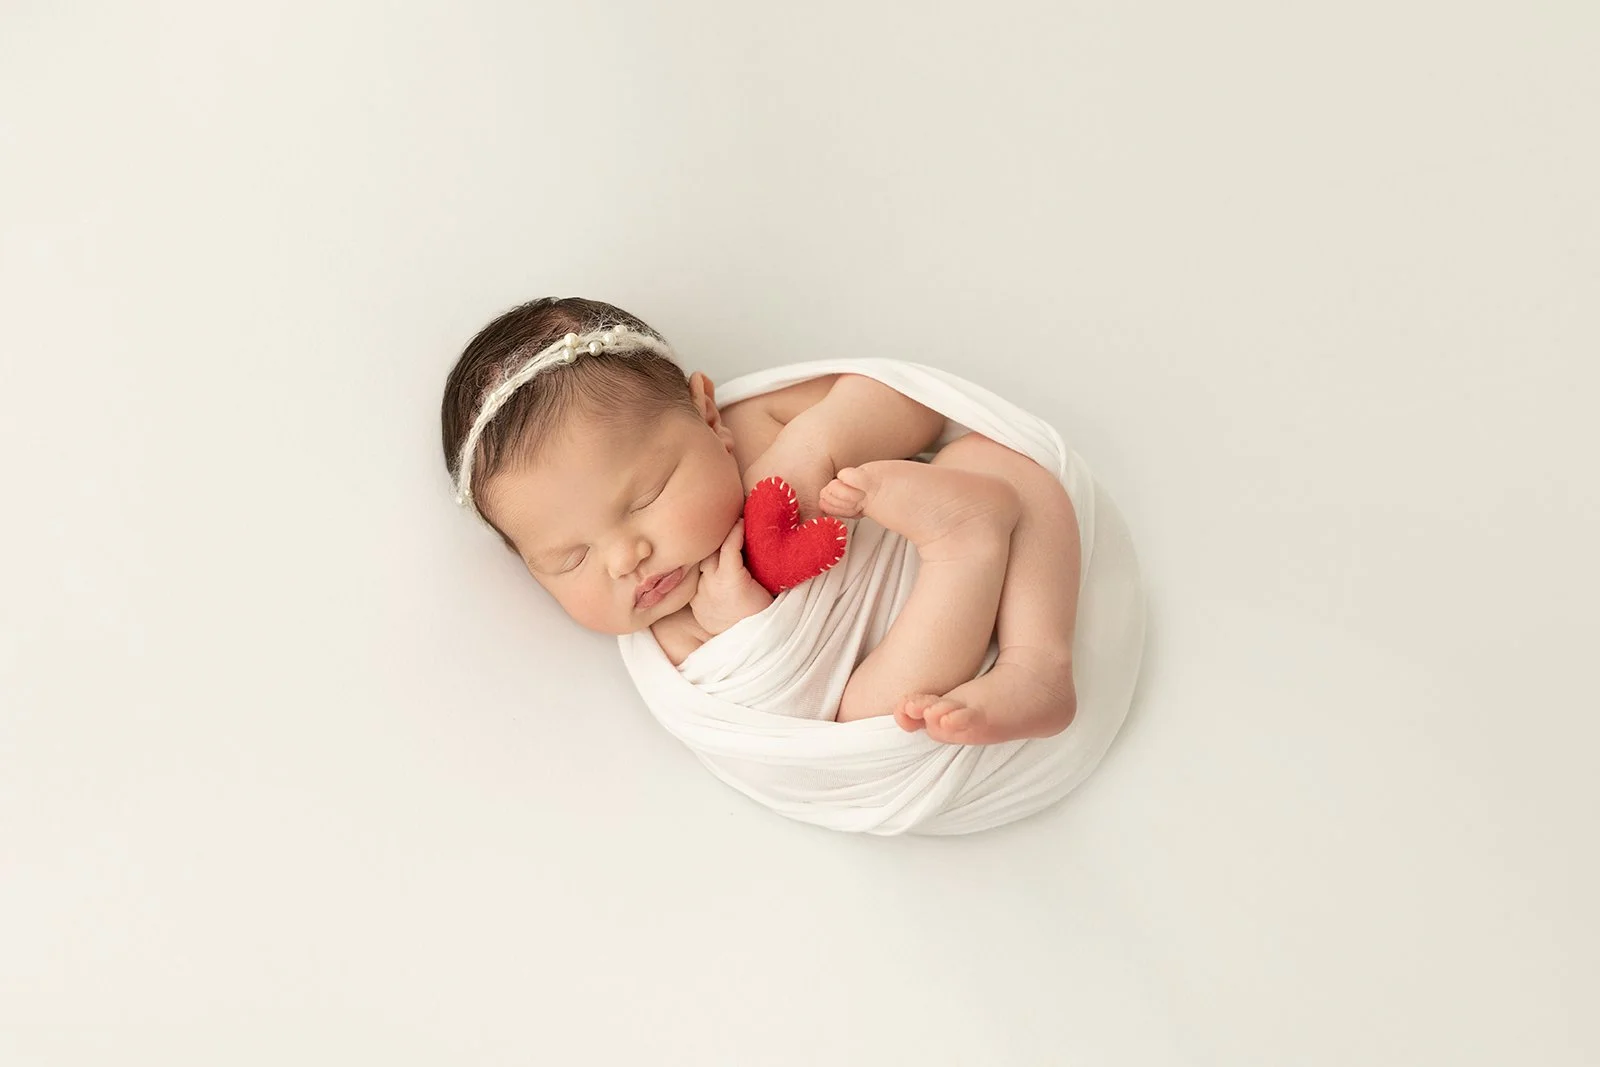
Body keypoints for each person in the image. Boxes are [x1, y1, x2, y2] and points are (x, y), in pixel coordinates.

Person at [441, 297, 1082, 745]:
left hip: (945, 540)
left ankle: (1036, 665)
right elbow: (797, 722)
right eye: (569, 558)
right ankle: (965, 546)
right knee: (870, 714)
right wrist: (749, 627)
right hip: (927, 662)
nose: (624, 558)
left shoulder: (755, 428)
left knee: (997, 463)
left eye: (645, 497)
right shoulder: (676, 635)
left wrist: (815, 445)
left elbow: (912, 404)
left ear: (707, 416)